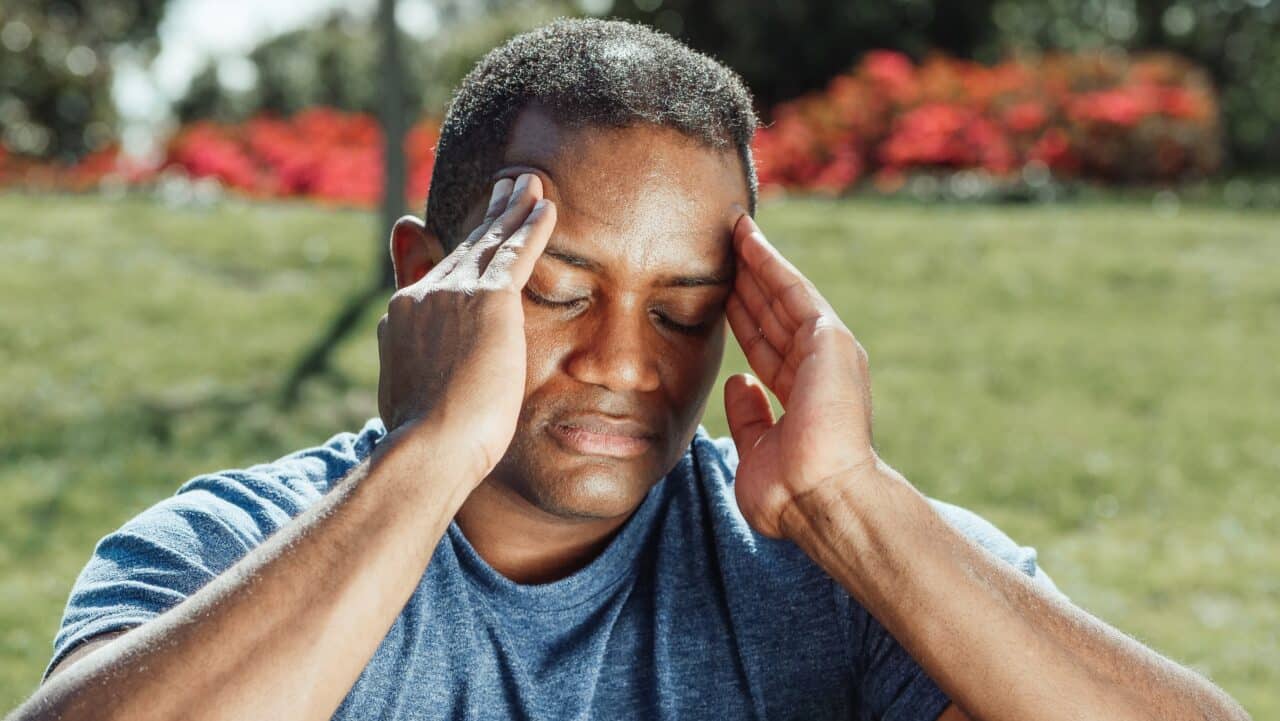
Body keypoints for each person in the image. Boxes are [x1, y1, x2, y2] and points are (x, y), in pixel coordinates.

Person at [10, 18, 1248, 721]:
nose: (620, 362)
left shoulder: (829, 571)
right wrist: (430, 453)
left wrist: (852, 502)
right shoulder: (229, 549)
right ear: (425, 277)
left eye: (683, 310)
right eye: (555, 290)